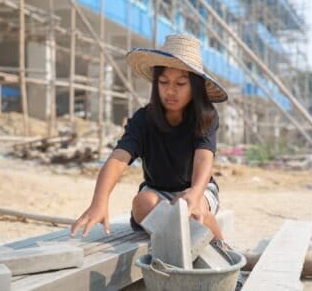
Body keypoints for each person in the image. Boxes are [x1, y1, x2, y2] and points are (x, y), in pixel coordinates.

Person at [70, 34, 229, 246]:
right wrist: (100, 201)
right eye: (163, 82)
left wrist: (196, 192)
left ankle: (221, 248)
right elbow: (118, 159)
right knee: (142, 203)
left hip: (198, 188)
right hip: (157, 192)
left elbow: (203, 159)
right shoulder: (143, 120)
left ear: (195, 87)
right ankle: (174, 243)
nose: (170, 90)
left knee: (191, 208)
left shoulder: (206, 117)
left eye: (181, 83)